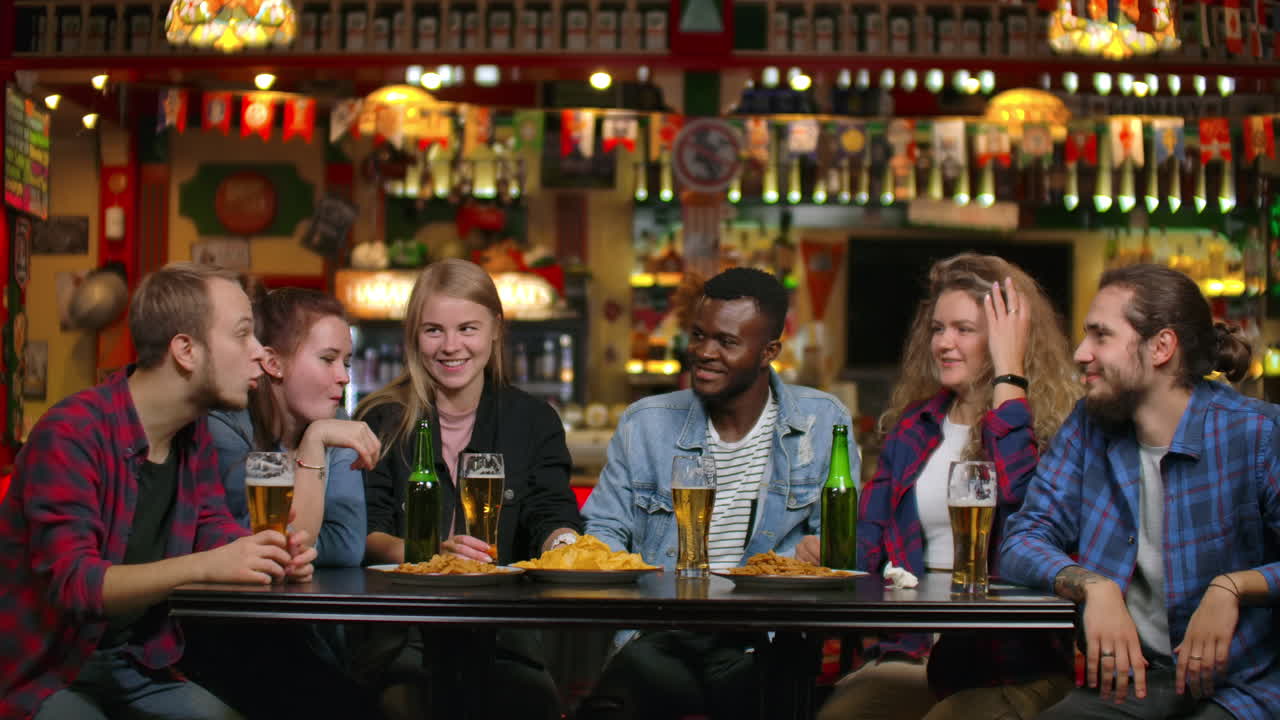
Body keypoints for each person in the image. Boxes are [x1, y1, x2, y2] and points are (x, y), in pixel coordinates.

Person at [0, 262, 317, 720]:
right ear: (186, 350)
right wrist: (210, 565)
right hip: (45, 670)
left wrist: (262, 551)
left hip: (136, 663)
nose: (260, 353)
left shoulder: (193, 434)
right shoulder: (71, 433)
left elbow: (210, 527)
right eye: (242, 334)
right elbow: (75, 584)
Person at [999, 263, 1280, 720]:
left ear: (1161, 347)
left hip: (1244, 687)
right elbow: (1021, 539)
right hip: (1131, 685)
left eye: (1101, 336)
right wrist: (1094, 586)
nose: (1080, 352)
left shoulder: (1257, 433)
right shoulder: (1089, 426)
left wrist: (1234, 587)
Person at [578, 267, 856, 720]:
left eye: (726, 342)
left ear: (769, 352)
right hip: (660, 630)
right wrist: (595, 557)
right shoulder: (645, 422)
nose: (704, 353)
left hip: (764, 637)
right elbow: (606, 527)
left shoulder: (822, 422)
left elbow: (842, 545)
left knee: (768, 685)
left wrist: (824, 552)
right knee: (614, 701)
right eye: (699, 336)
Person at [817, 253, 1080, 720]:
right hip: (915, 654)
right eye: (938, 329)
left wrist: (1009, 378)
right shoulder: (912, 429)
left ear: (1008, 338)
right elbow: (868, 547)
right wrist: (827, 554)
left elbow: (1030, 516)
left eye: (964, 329)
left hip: (1011, 665)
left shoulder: (1052, 431)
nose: (944, 343)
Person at [353, 258, 583, 720]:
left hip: (503, 633)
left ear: (496, 329)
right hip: (403, 634)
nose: (451, 346)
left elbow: (550, 512)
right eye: (433, 330)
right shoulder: (381, 419)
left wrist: (566, 543)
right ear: (413, 335)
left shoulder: (532, 421)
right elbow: (364, 533)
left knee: (531, 704)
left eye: (468, 328)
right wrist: (428, 553)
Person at [182, 286, 383, 718]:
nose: (344, 377)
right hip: (223, 641)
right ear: (273, 363)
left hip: (306, 638)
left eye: (346, 362)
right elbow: (276, 549)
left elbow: (346, 544)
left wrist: (318, 437)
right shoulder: (225, 424)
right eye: (328, 360)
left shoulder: (336, 423)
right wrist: (314, 447)